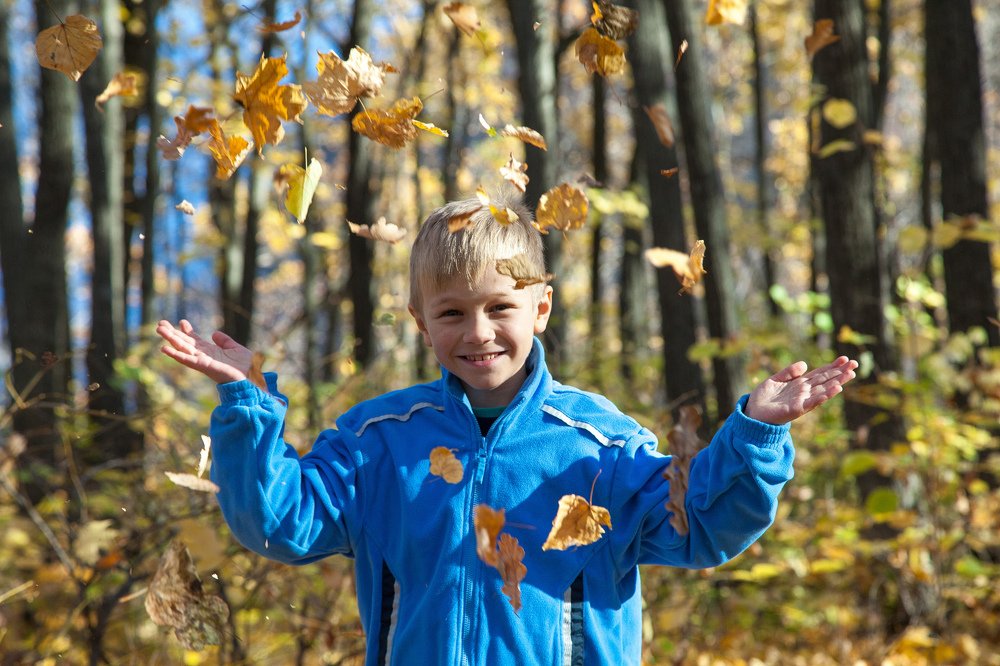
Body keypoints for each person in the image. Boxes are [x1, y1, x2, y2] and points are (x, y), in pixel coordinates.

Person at [156, 190, 858, 665]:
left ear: (542, 308)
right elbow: (278, 521)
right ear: (421, 323)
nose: (479, 332)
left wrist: (756, 436)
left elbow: (703, 526)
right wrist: (246, 402)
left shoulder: (598, 446)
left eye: (500, 307)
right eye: (453, 312)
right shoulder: (381, 441)